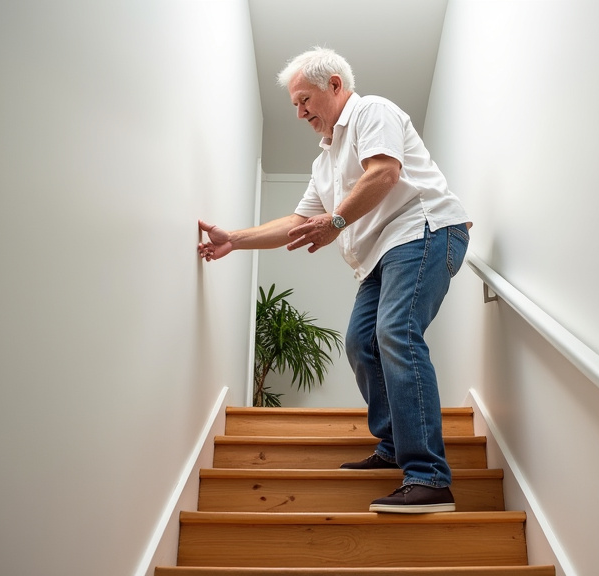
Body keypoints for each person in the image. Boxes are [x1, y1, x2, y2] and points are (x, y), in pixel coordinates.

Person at [197, 47, 471, 513]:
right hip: (379, 255)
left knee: (395, 333)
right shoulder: (324, 162)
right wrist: (235, 239)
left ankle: (428, 476)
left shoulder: (371, 111)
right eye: (295, 105)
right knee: (361, 342)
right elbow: (300, 221)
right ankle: (393, 448)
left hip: (423, 231)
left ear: (335, 86)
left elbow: (384, 174)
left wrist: (337, 222)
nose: (300, 112)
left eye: (305, 99)